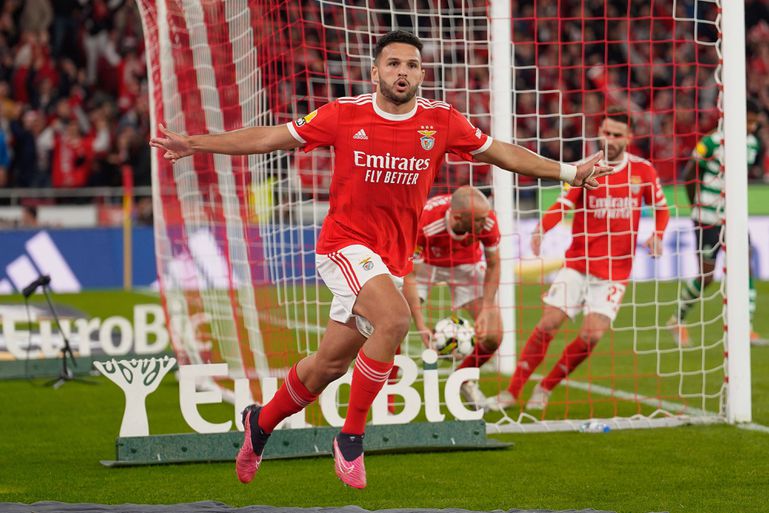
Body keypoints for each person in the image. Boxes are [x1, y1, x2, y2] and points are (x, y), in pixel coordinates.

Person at [150, 30, 611, 489]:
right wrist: (197, 144)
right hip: (344, 246)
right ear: (375, 72)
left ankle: (260, 424)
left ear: (422, 74)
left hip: (389, 259)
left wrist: (570, 172)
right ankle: (351, 438)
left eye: (411, 65)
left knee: (328, 365)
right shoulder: (343, 114)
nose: (402, 72)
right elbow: (271, 137)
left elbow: (501, 153)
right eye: (393, 64)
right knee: (394, 319)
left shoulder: (441, 121)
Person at [487, 107, 670, 412]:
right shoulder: (587, 169)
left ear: (628, 137)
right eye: (606, 132)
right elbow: (563, 204)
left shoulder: (643, 171)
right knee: (548, 324)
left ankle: (546, 387)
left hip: (615, 271)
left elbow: (662, 209)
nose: (609, 139)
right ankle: (512, 392)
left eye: (616, 134)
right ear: (599, 132)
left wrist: (659, 234)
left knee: (591, 336)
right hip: (579, 263)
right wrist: (541, 229)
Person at [666, 98, 766, 346]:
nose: (751, 127)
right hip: (708, 217)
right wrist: (696, 205)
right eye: (748, 121)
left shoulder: (753, 144)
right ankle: (677, 319)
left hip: (733, 217)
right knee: (707, 276)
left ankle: (746, 328)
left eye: (755, 122)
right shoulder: (711, 141)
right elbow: (689, 172)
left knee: (746, 266)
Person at [401, 185, 502, 411]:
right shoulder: (425, 221)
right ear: (457, 218)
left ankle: (463, 380)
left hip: (466, 266)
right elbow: (410, 275)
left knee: (493, 335)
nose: (485, 223)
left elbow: (494, 265)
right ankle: (387, 402)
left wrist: (487, 308)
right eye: (478, 220)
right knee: (394, 323)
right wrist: (421, 325)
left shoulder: (487, 221)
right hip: (425, 266)